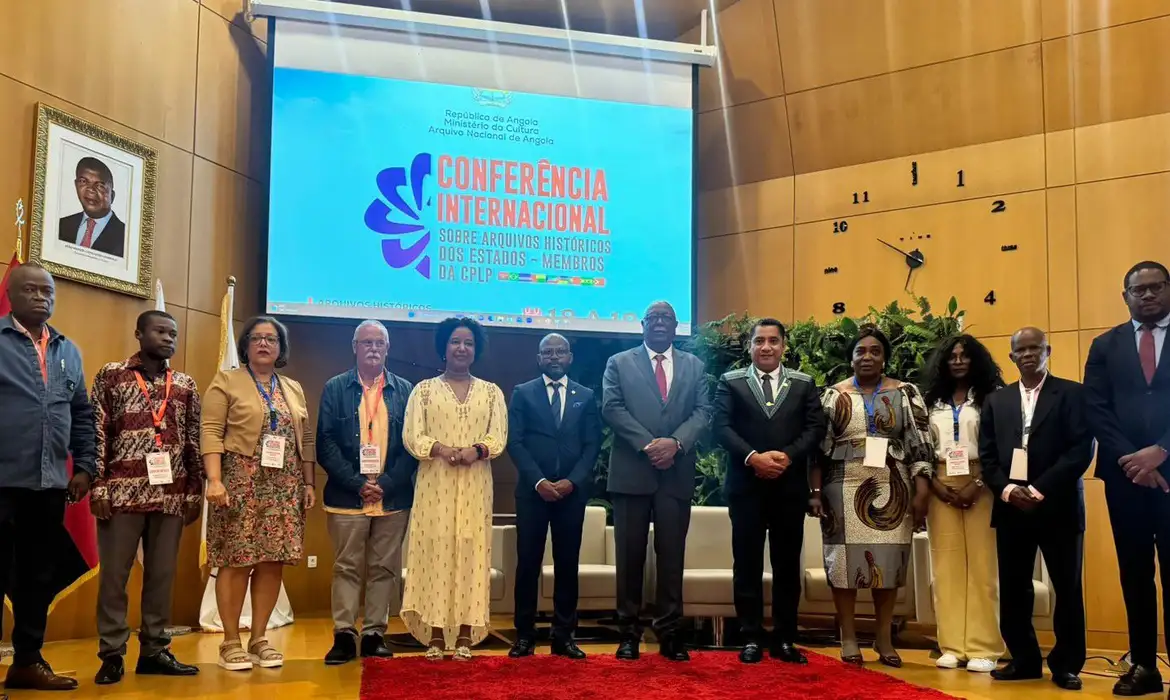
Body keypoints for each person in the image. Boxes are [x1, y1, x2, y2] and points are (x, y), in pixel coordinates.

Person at [90, 310, 202, 684]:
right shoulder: (112, 375)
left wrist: (194, 490)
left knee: (162, 576)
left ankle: (155, 649)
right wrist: (98, 485)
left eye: (173, 333)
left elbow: (192, 440)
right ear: (139, 333)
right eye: (160, 331)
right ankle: (112, 654)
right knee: (114, 578)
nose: (168, 338)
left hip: (171, 495)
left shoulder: (184, 384)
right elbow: (98, 432)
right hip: (122, 493)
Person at [0, 263, 95, 690]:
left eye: (48, 291)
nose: (42, 297)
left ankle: (27, 661)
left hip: (50, 484)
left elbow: (81, 414)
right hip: (3, 482)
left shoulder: (67, 350)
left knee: (37, 577)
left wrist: (87, 466)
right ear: (12, 294)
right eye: (32, 289)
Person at [201, 316, 316, 672]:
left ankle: (260, 638)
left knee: (271, 562)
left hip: (284, 485)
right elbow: (210, 431)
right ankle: (230, 641)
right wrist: (214, 480)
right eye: (256, 338)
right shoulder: (227, 381)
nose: (264, 344)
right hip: (239, 483)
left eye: (271, 339)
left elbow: (306, 439)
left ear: (281, 349)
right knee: (236, 562)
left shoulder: (293, 388)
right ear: (245, 346)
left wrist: (309, 483)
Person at [979, 327, 1091, 691]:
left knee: (1068, 588)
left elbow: (1080, 451)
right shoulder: (997, 401)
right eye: (1020, 349)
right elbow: (988, 455)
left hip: (1057, 505)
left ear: (1048, 350)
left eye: (1035, 348)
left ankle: (1067, 664)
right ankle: (1024, 660)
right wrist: (1010, 490)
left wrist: (1039, 490)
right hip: (1012, 507)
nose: (1028, 354)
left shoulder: (1073, 393)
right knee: (1014, 588)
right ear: (1011, 356)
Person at [814, 324, 932, 667]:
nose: (867, 356)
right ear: (851, 358)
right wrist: (816, 492)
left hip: (893, 489)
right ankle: (848, 637)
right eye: (860, 351)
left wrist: (922, 488)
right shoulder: (833, 396)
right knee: (843, 567)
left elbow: (920, 444)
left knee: (887, 565)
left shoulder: (906, 393)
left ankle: (883, 639)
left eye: (875, 351)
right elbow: (818, 451)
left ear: (884, 359)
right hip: (842, 487)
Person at [601, 301, 711, 662]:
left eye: (667, 318)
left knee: (672, 558)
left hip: (675, 474)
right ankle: (628, 634)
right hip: (633, 472)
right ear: (642, 324)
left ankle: (669, 634)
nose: (660, 323)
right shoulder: (619, 363)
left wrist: (676, 443)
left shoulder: (694, 366)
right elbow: (612, 408)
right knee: (629, 558)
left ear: (676, 325)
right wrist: (650, 445)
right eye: (653, 318)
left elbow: (703, 411)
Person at [714, 318, 825, 664]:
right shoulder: (730, 382)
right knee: (746, 564)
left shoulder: (804, 384)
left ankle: (784, 639)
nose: (766, 347)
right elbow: (720, 426)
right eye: (759, 341)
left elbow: (815, 428)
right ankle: (750, 637)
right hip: (746, 488)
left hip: (789, 488)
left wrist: (787, 457)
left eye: (773, 341)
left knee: (787, 565)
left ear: (784, 346)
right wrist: (753, 458)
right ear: (749, 346)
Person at [1083, 260, 1170, 696]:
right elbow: (1096, 408)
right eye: (1140, 290)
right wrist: (1133, 459)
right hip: (1125, 479)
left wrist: (1162, 449)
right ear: (1126, 296)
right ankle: (1144, 668)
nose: (1149, 295)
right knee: (1134, 573)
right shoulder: (1104, 345)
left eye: (1157, 287)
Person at [401, 317, 507, 660]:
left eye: (468, 343)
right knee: (435, 551)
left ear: (476, 351)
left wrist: (474, 451)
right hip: (436, 483)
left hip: (476, 484)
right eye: (455, 342)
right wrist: (442, 450)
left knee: (471, 555)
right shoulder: (424, 391)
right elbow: (413, 436)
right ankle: (433, 635)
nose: (461, 348)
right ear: (444, 347)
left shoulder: (492, 393)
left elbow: (498, 437)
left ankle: (464, 635)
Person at [317, 320, 417, 665]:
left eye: (379, 343)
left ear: (388, 349)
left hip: (392, 497)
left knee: (384, 567)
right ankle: (344, 634)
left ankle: (375, 633)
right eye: (366, 342)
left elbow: (412, 447)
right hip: (347, 496)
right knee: (346, 566)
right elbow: (325, 443)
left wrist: (385, 484)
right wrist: (359, 484)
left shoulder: (406, 390)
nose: (373, 348)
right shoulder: (335, 387)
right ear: (354, 347)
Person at [508, 333, 602, 659]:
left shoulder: (586, 396)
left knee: (566, 565)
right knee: (528, 565)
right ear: (538, 358)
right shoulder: (523, 393)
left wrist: (571, 482)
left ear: (570, 357)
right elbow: (515, 442)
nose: (554, 356)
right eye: (547, 352)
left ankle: (563, 636)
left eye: (560, 351)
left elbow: (593, 445)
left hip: (571, 495)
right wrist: (539, 482)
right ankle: (524, 636)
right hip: (533, 494)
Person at [921, 335, 1005, 673]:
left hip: (981, 483)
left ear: (976, 360)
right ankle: (952, 645)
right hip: (940, 483)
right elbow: (921, 449)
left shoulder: (993, 398)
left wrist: (979, 483)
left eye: (965, 356)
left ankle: (985, 647)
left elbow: (999, 445)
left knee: (983, 567)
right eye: (952, 356)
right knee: (945, 567)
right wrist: (936, 486)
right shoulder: (930, 402)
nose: (958, 361)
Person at [57, 157, 126, 258]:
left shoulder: (125, 237)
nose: (90, 189)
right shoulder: (61, 225)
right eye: (83, 181)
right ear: (76, 185)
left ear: (112, 196)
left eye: (100, 186)